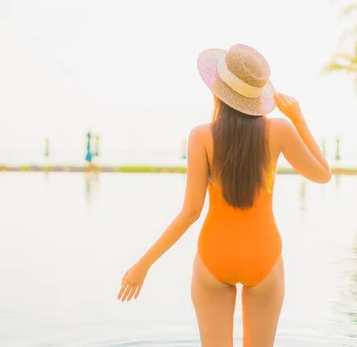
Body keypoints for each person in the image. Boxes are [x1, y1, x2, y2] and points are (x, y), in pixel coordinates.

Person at [118, 44, 331, 346]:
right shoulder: (279, 130)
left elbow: (190, 212)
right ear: (258, 96)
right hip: (264, 256)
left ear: (217, 90)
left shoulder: (201, 137)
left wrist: (144, 264)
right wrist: (297, 117)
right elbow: (323, 174)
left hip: (215, 256)